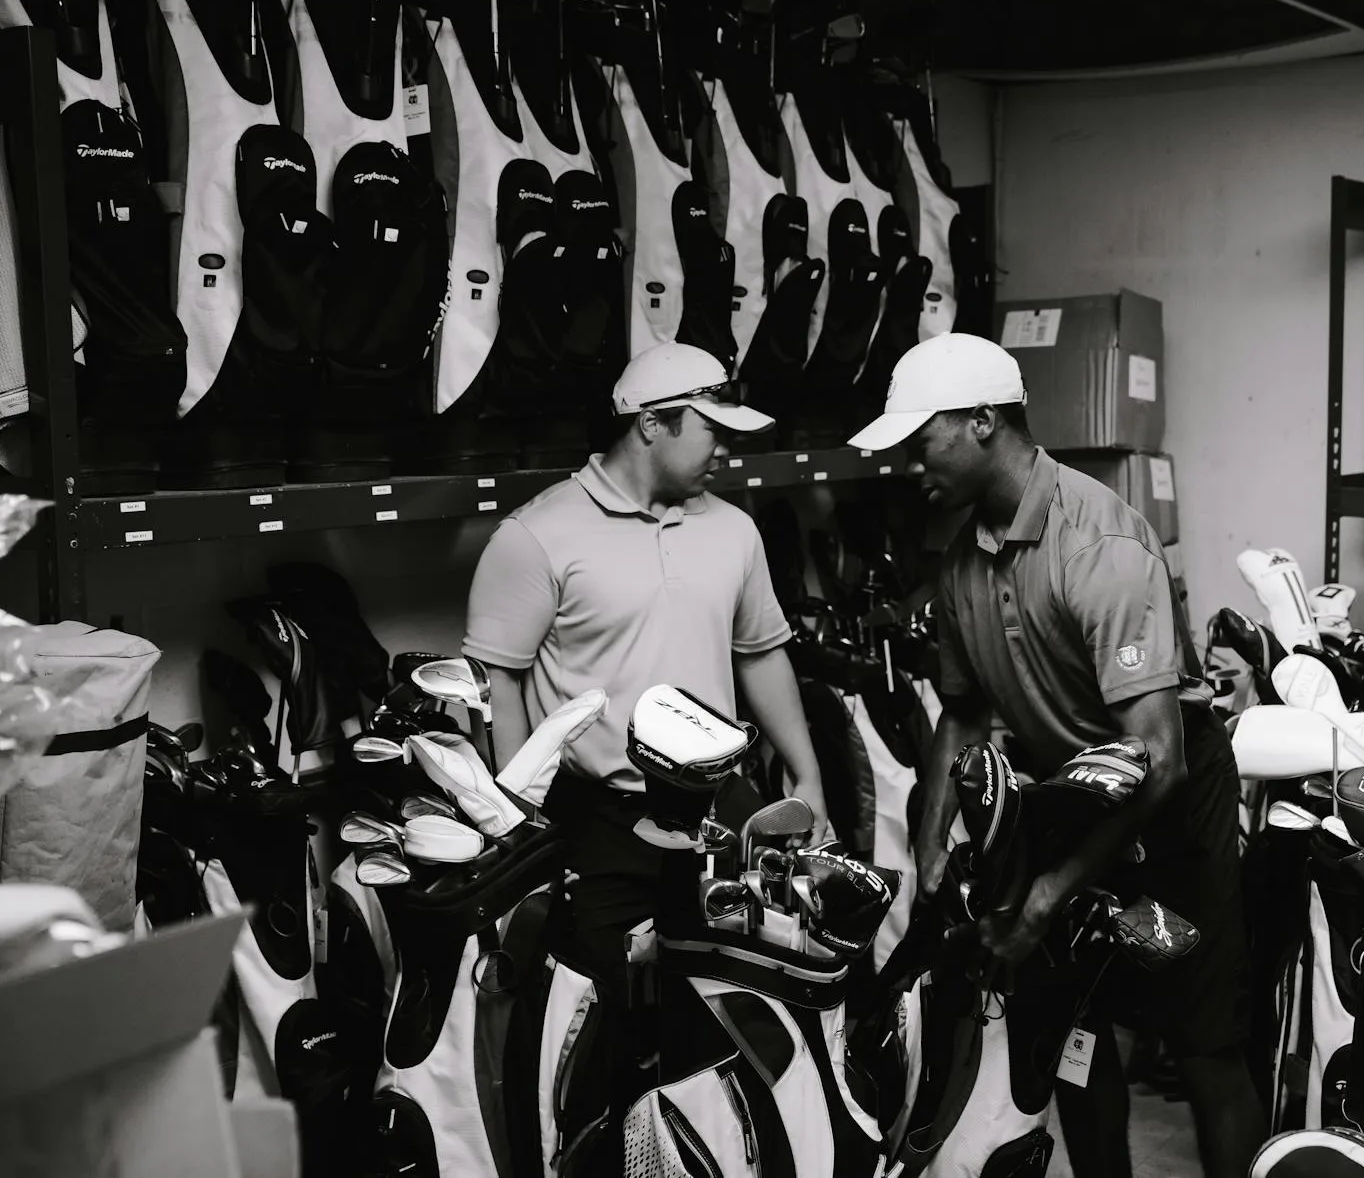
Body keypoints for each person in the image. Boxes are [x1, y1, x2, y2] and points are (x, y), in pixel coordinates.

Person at [849, 333, 1262, 1178]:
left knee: (1204, 1042)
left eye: (919, 440)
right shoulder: (962, 565)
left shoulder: (1098, 547)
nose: (907, 466)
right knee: (1072, 1030)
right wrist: (928, 855)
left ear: (981, 422)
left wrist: (1047, 893)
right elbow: (960, 717)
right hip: (1072, 794)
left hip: (1172, 797)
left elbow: (1158, 758)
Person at [462, 342, 832, 1138]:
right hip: (597, 820)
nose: (724, 447)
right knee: (600, 1017)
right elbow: (498, 682)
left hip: (720, 810)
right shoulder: (537, 537)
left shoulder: (734, 529)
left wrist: (804, 771)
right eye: (710, 428)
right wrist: (517, 822)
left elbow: (760, 651)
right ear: (652, 425)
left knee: (739, 1005)